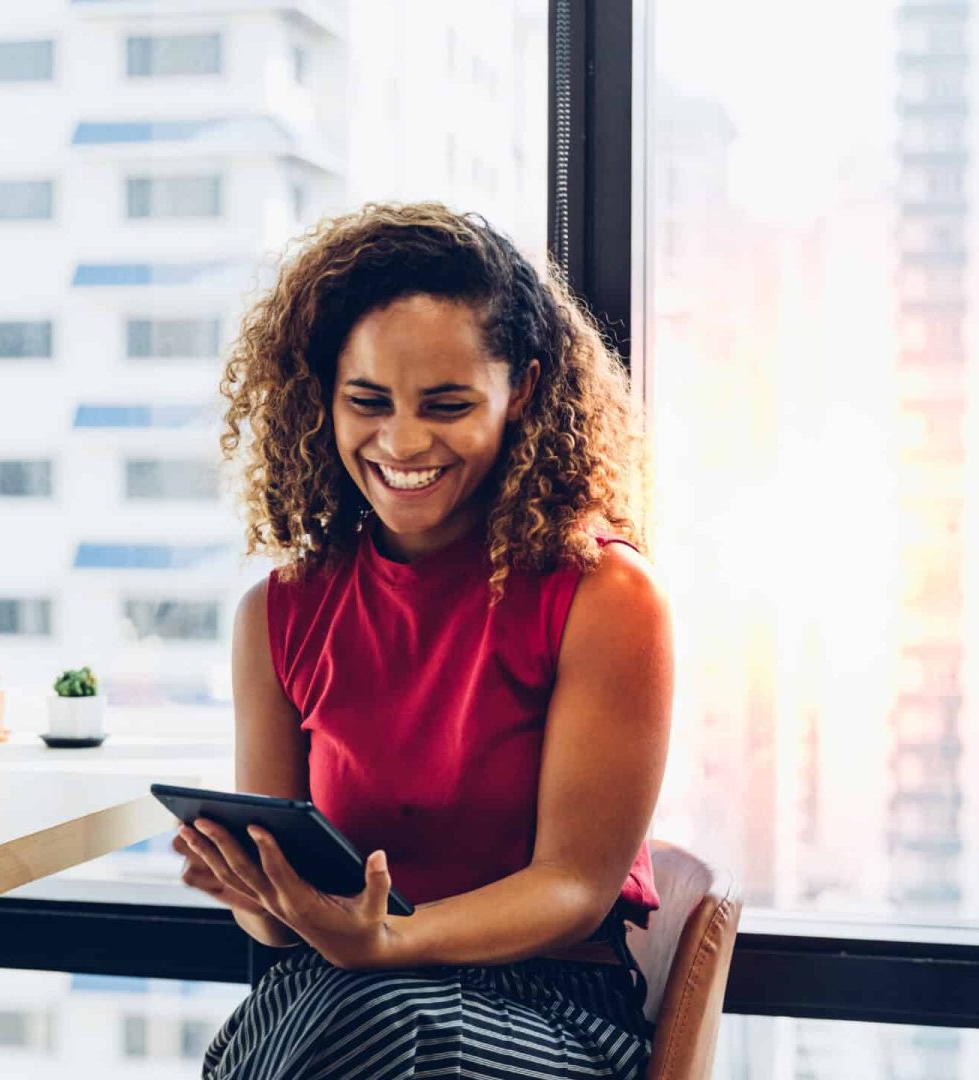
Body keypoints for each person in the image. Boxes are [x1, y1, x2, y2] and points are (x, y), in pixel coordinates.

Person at [175, 202, 672, 1079]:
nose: (402, 442)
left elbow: (573, 886)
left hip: (552, 1010)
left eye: (447, 405)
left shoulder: (604, 595)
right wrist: (261, 897)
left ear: (520, 390)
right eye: (368, 402)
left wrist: (390, 942)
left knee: (350, 1021)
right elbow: (280, 924)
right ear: (322, 393)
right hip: (335, 1001)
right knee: (330, 1017)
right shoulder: (278, 615)